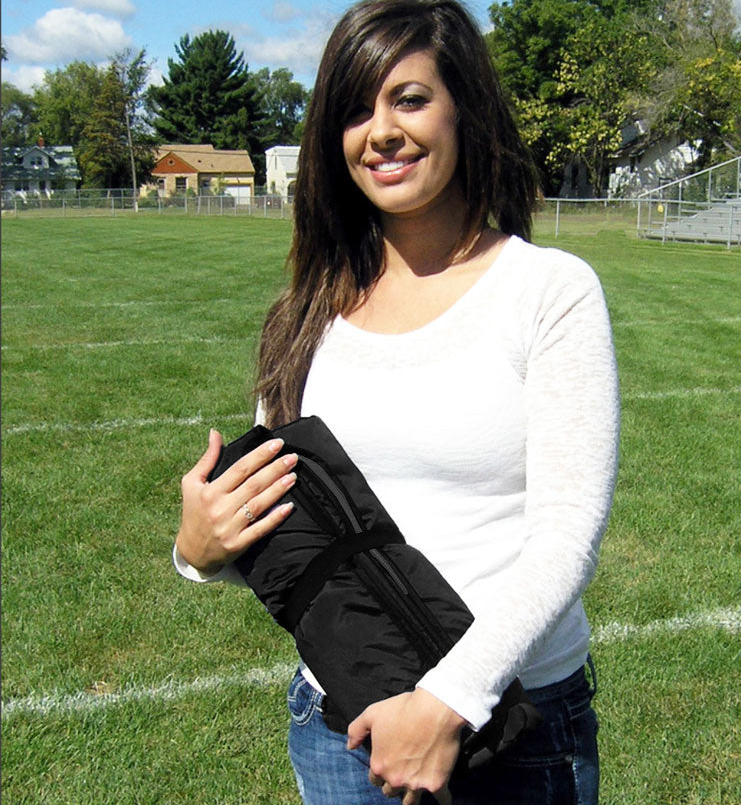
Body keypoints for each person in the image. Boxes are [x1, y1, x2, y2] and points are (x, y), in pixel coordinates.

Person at [173, 1, 620, 803]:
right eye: (353, 109)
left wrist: (448, 700)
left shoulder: (547, 290)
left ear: (464, 109)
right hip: (342, 728)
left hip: (510, 727)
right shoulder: (304, 312)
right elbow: (297, 529)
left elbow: (566, 535)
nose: (378, 131)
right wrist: (203, 551)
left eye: (408, 99)